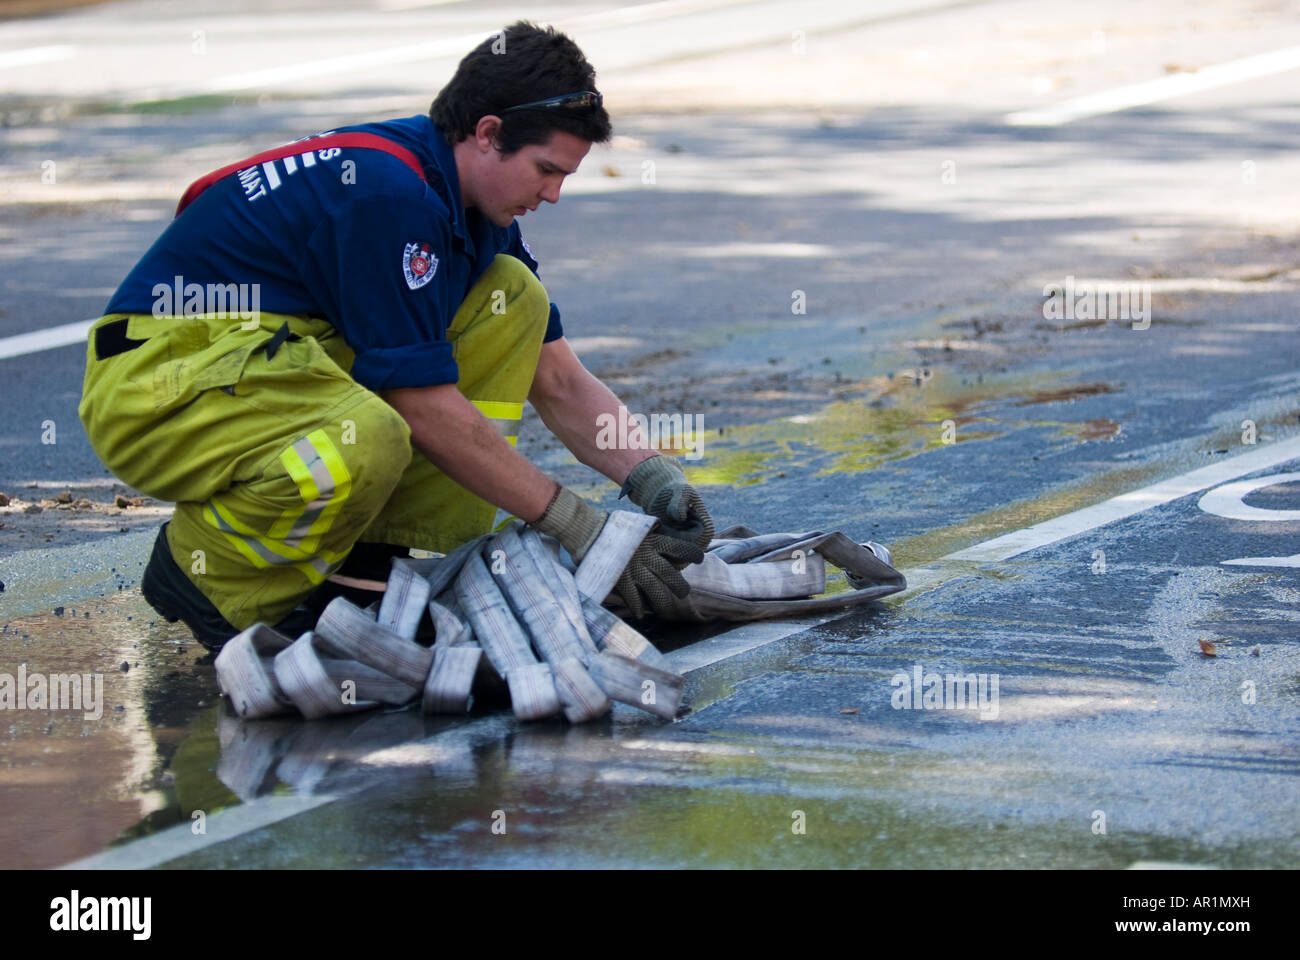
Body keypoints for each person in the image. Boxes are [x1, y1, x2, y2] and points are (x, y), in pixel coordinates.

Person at [78, 21, 714, 650]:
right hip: (160, 379)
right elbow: (424, 408)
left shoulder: (463, 204)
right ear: (488, 134)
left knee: (512, 297)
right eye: (546, 170)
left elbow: (560, 379)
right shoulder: (387, 195)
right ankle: (210, 577)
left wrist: (654, 479)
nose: (552, 195)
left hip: (258, 355)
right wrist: (582, 527)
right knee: (364, 438)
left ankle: (382, 561)